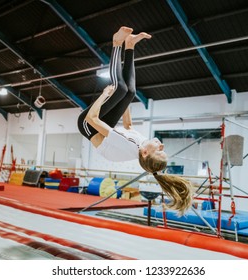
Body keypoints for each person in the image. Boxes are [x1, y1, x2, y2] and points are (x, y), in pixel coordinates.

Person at [77, 26, 193, 215]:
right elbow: (128, 125)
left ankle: (116, 43)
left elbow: (92, 118)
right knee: (129, 93)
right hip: (103, 126)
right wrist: (124, 103)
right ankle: (130, 45)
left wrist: (106, 94)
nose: (162, 145)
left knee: (119, 88)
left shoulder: (129, 144)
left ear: (145, 153)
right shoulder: (139, 144)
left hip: (88, 125)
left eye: (160, 150)